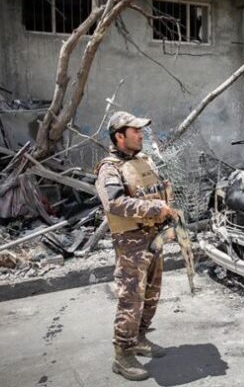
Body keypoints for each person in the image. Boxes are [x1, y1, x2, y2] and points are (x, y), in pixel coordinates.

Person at [95, 111, 177, 381]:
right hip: (131, 245)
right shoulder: (109, 169)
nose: (141, 135)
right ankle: (122, 354)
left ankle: (139, 338)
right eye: (135, 131)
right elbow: (116, 203)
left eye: (141, 131)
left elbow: (156, 191)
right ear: (120, 137)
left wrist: (167, 214)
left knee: (152, 294)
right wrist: (155, 207)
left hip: (154, 238)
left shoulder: (142, 160)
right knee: (131, 299)